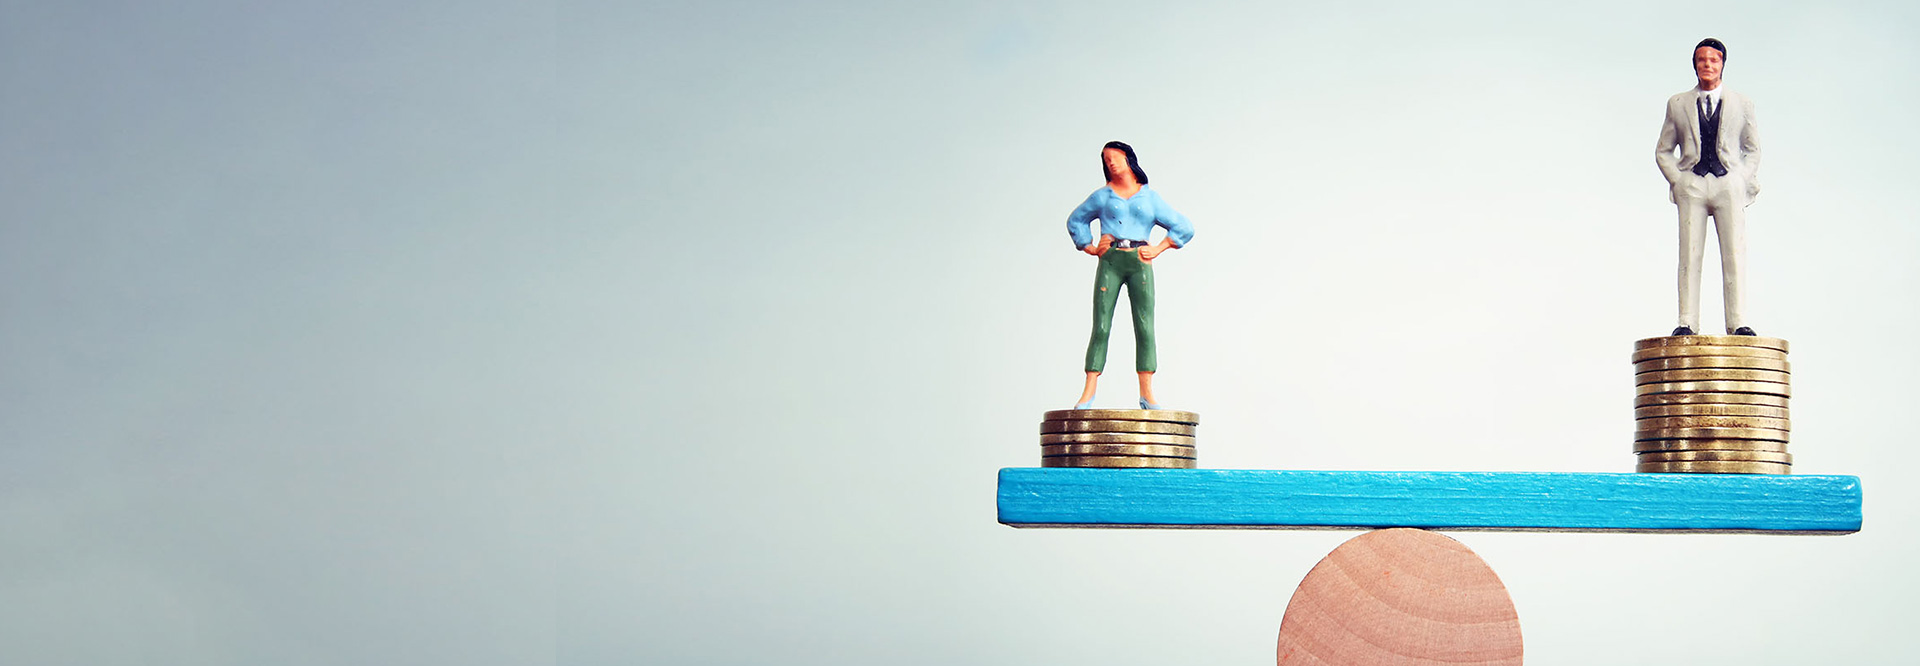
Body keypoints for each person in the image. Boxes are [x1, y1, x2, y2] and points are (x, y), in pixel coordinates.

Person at [1065, 141, 1194, 409]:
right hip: (1111, 260)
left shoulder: (1149, 198)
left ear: (1129, 160)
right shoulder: (1103, 196)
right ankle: (1088, 392)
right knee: (1101, 325)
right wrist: (1089, 246)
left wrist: (1158, 248)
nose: (1111, 162)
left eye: (1116, 157)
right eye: (1106, 159)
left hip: (1139, 261)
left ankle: (1147, 393)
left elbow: (1184, 226)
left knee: (1145, 326)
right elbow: (1076, 219)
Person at [1654, 37, 1762, 336]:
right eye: (1702, 60)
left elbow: (1753, 149)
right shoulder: (1678, 104)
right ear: (1695, 65)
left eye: (1713, 60)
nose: (1708, 66)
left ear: (1723, 64)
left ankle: (1738, 321)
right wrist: (1678, 179)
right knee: (1689, 254)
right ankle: (1687, 321)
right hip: (1694, 184)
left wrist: (1741, 179)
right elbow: (1663, 149)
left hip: (1728, 184)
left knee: (1734, 253)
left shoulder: (1743, 104)